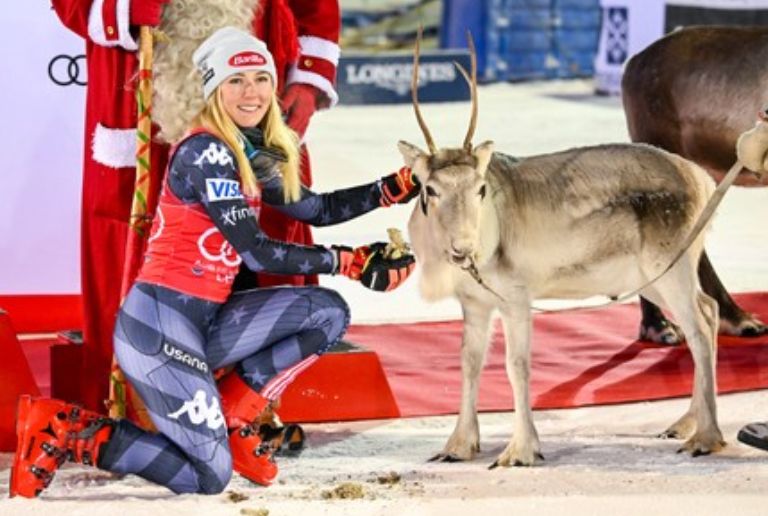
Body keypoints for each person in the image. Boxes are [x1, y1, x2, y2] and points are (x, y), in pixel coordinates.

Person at [10, 27, 419, 497]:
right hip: (159, 330)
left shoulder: (249, 151)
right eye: (236, 81)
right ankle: (66, 430)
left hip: (206, 322)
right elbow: (257, 251)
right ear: (213, 89)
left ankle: (235, 421)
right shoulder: (206, 151)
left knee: (326, 312)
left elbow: (317, 209)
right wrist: (347, 262)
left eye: (261, 78)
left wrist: (391, 188)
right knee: (208, 476)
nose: (254, 93)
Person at [51, 0, 341, 417]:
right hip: (146, 103)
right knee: (148, 258)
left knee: (257, 241)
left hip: (253, 97)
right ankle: (144, 407)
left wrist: (309, 78)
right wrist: (125, 9)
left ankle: (250, 408)